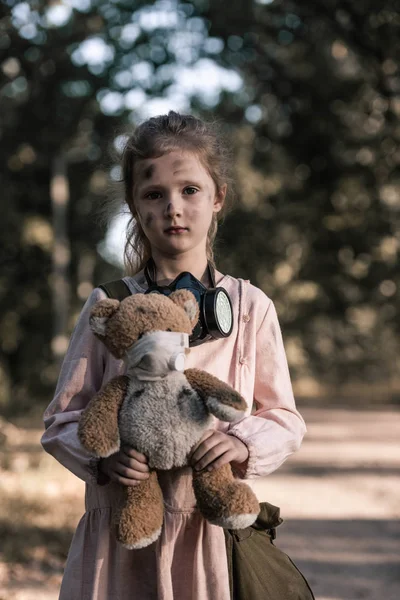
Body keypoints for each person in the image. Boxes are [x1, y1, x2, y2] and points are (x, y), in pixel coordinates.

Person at [41, 111, 312, 600]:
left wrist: (244, 445)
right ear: (135, 206)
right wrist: (105, 461)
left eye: (189, 190)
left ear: (218, 197)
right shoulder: (109, 306)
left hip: (209, 538)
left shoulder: (251, 307)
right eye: (154, 194)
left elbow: (285, 417)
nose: (173, 207)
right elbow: (62, 419)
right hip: (122, 540)